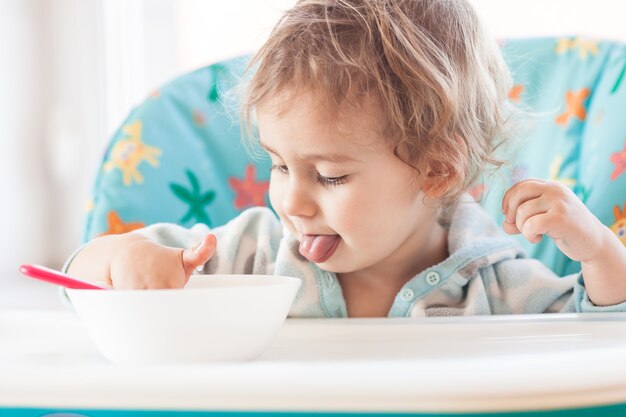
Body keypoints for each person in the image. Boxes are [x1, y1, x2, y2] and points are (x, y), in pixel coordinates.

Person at [66, 0, 626, 317]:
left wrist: (599, 252)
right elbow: (77, 279)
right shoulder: (251, 256)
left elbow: (602, 336)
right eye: (280, 166)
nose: (291, 201)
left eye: (329, 175)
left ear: (437, 170)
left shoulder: (494, 283)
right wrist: (124, 259)